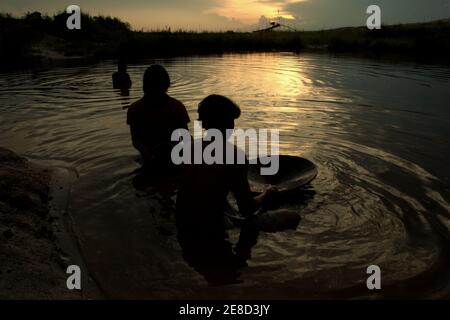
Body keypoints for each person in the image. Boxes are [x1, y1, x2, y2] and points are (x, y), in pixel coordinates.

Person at [175, 94, 277, 285]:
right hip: (209, 232)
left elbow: (198, 189)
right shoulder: (234, 156)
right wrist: (267, 194)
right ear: (228, 124)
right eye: (231, 121)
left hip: (182, 225)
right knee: (290, 218)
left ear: (204, 123)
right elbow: (247, 209)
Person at [126, 64, 190, 173]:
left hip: (154, 158)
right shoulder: (177, 106)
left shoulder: (135, 108)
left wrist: (149, 154)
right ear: (167, 84)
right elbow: (185, 138)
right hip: (162, 158)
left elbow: (136, 140)